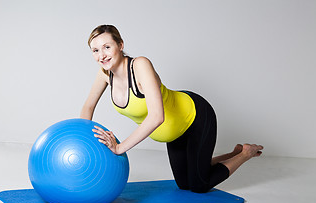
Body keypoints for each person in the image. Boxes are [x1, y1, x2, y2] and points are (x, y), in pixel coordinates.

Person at [80, 24, 263, 193]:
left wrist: (120, 148)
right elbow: (88, 106)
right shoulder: (105, 74)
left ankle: (245, 153)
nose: (101, 55)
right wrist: (81, 140)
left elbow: (157, 117)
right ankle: (233, 152)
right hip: (174, 132)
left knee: (199, 185)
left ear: (120, 45)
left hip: (194, 117)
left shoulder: (140, 65)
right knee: (184, 184)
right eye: (95, 50)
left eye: (107, 47)